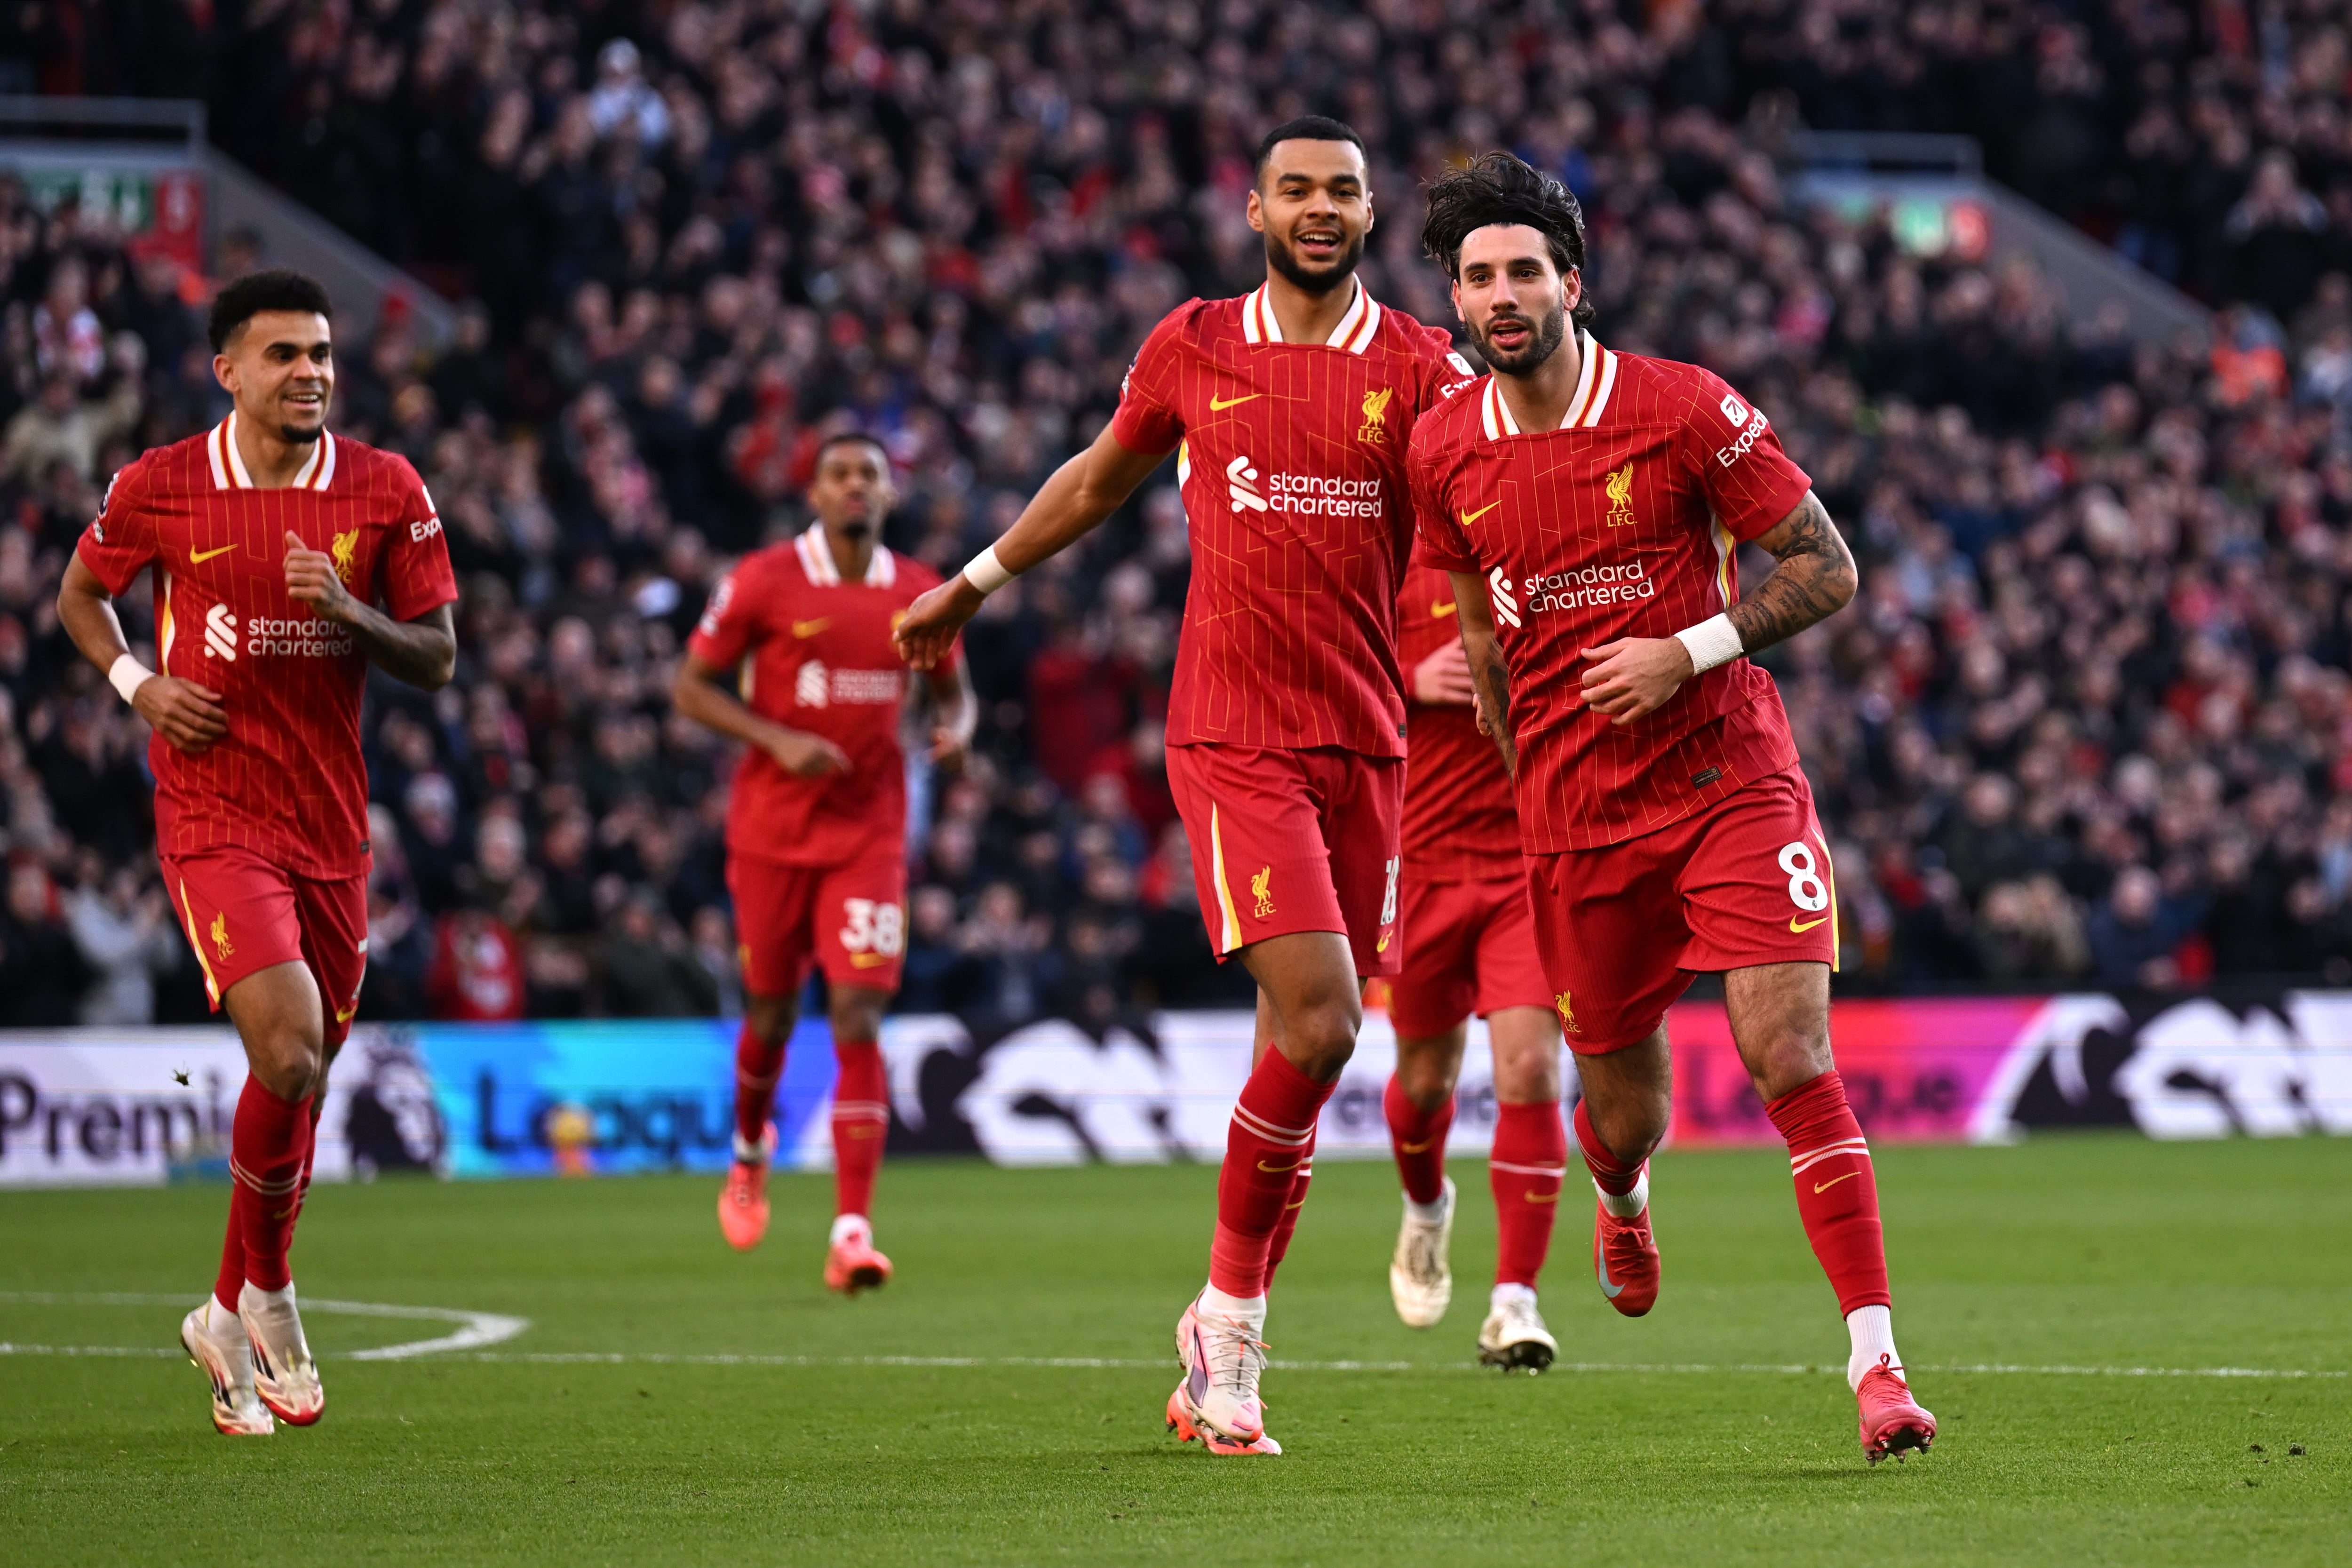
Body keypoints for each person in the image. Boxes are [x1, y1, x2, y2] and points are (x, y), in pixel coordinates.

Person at [896, 116, 1469, 1457]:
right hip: (1233, 733)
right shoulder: (1195, 343)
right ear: (1256, 208)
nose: (1318, 209)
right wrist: (970, 586)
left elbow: (1489, 525)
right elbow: (1100, 478)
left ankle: (1219, 1312)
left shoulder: (1424, 373)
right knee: (1323, 1022)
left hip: (1368, 742)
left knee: (1304, 1038)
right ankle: (1235, 1327)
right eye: (1295, 190)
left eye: (1342, 191)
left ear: (1371, 213)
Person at [1406, 153, 1935, 1464]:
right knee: (1624, 1110)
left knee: (1791, 1057)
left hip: (1726, 778)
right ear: (1459, 304)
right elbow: (1475, 610)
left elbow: (1828, 565)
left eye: (1525, 268)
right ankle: (1623, 1194)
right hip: (1578, 820)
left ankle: (1879, 1366)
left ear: (1571, 282)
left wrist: (1688, 649)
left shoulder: (1683, 407)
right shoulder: (1442, 446)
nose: (1502, 293)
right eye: (1478, 277)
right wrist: (1508, 728)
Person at [55, 269, 458, 1436]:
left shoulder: (385, 488)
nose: (312, 374)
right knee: (287, 1052)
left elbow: (434, 655)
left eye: (322, 354)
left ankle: (224, 1310)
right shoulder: (165, 482)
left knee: (309, 1070)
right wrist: (140, 684)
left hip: (332, 828)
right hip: (213, 810)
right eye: (284, 355)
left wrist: (348, 610)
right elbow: (84, 594)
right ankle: (273, 1293)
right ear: (226, 370)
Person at [673, 432, 973, 1293]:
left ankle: (852, 1229)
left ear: (889, 494)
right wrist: (776, 740)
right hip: (771, 833)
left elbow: (958, 693)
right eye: (840, 474)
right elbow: (691, 687)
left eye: (870, 476)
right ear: (814, 492)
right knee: (769, 1014)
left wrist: (959, 735)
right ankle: (749, 1149)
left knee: (858, 1015)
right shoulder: (764, 580)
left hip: (872, 836)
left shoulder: (920, 590)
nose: (855, 487)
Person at [1380, 556, 1566, 1372]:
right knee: (1423, 1084)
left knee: (1528, 1068)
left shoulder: (1534, 536)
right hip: (1419, 863)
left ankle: (1513, 1301)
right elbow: (1318, 674)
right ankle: (1426, 1205)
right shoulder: (1383, 548)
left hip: (1525, 863)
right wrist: (1408, 675)